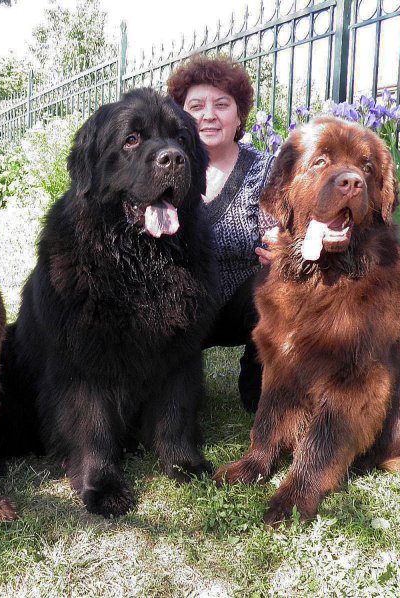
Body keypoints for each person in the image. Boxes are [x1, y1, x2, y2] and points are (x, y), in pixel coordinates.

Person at [167, 54, 276, 413]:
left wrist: (282, 247)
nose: (208, 115)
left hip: (238, 307)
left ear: (239, 115)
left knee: (275, 282)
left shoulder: (265, 170)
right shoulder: (163, 166)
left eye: (222, 104)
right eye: (195, 105)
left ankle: (262, 381)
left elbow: (282, 231)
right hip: (175, 307)